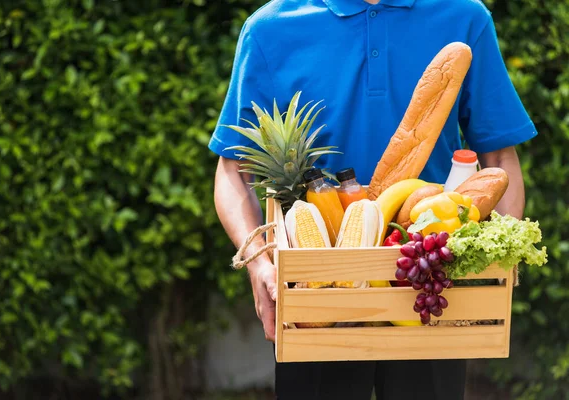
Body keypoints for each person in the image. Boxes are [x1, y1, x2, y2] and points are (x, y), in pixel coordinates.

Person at [209, 0, 537, 398]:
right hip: (318, 291)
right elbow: (233, 171)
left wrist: (495, 263)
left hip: (429, 282)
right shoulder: (271, 28)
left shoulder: (464, 18)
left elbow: (500, 157)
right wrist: (259, 265)